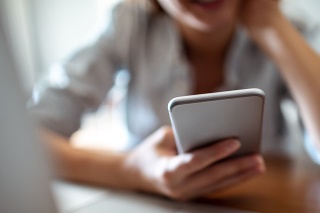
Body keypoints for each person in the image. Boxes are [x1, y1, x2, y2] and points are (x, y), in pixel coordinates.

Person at [29, 0, 320, 201]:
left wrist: (271, 25)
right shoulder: (127, 23)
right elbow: (23, 141)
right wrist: (132, 170)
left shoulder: (291, 30)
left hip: (261, 200)